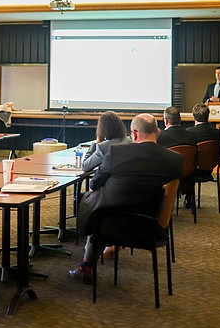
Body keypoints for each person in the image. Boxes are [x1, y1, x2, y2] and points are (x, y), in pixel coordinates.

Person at [68, 114, 182, 284]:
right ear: (158, 132)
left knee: (98, 209)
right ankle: (111, 249)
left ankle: (86, 267)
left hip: (113, 227)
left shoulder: (116, 153)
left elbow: (95, 183)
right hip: (151, 228)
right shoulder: (175, 159)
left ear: (134, 134)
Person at [157, 106, 198, 209]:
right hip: (188, 175)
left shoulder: (159, 136)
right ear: (180, 120)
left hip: (167, 176)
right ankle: (189, 199)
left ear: (165, 121)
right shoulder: (192, 135)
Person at [186, 102, 220, 206]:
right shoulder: (217, 132)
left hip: (193, 171)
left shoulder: (189, 132)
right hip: (210, 169)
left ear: (194, 116)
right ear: (208, 115)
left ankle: (188, 198)